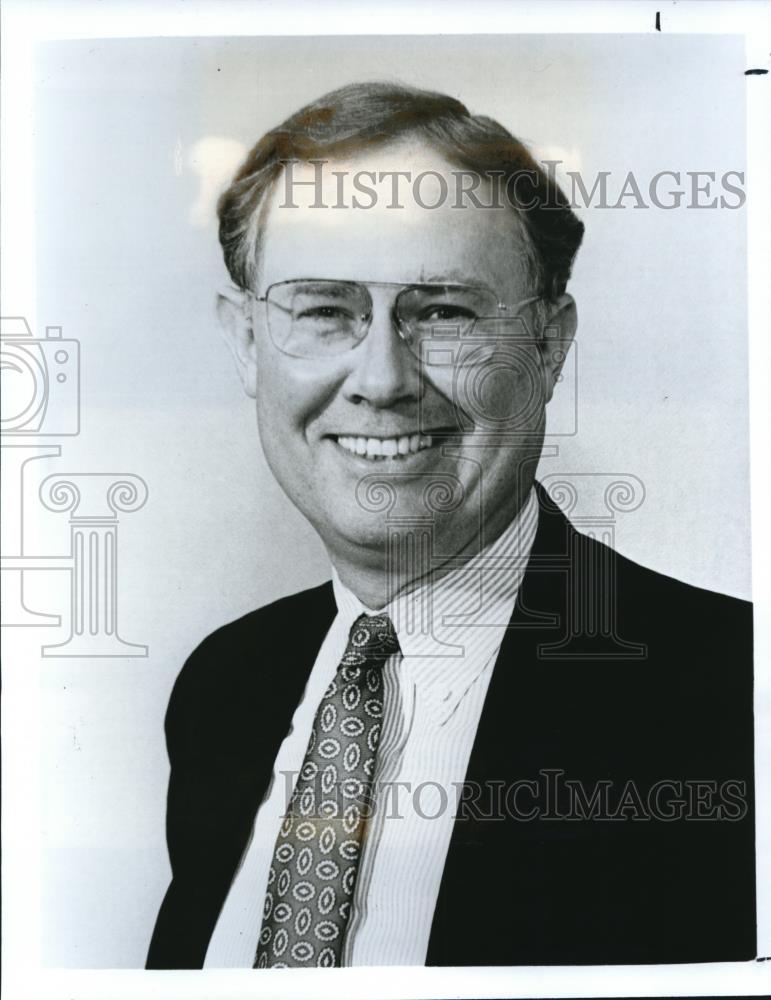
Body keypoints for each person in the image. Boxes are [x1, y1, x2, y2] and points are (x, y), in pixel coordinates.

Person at [146, 82, 755, 969]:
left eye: (443, 312)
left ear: (548, 348)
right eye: (324, 310)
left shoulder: (731, 693)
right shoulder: (223, 689)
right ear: (245, 344)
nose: (382, 380)